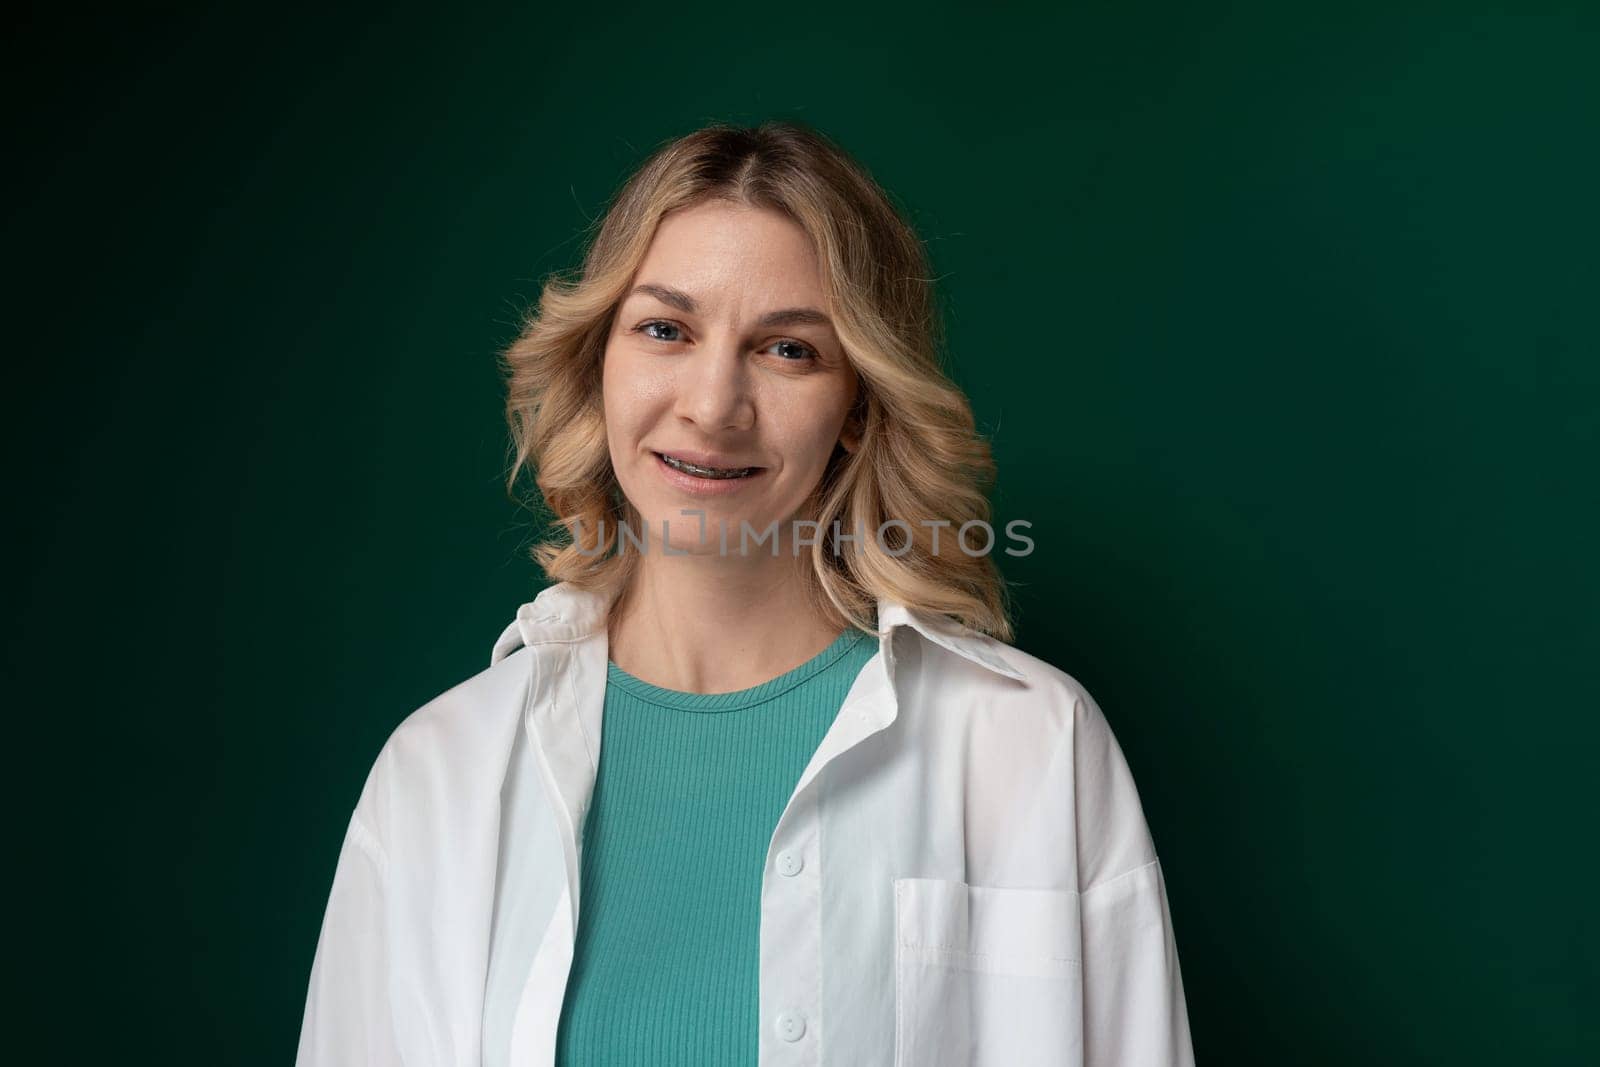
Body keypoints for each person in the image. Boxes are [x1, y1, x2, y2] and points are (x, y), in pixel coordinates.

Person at [296, 120, 1196, 1067]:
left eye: (789, 350)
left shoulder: (1030, 742)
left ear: (858, 404)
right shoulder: (440, 774)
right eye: (665, 330)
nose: (713, 404)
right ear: (598, 359)